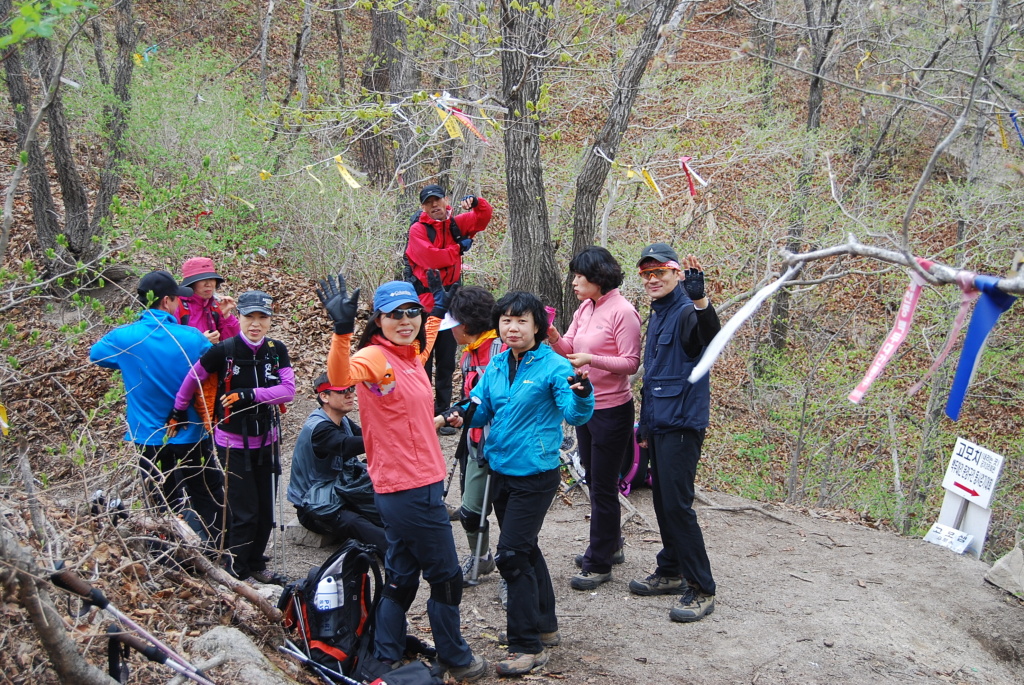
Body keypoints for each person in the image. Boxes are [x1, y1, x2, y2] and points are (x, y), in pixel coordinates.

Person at [317, 272, 487, 681]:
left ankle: (386, 650)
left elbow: (425, 341)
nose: (405, 320)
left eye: (411, 311)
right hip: (408, 487)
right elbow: (341, 377)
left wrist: (438, 308)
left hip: (411, 484)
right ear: (378, 320)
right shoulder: (375, 358)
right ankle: (456, 658)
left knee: (401, 574)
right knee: (446, 576)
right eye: (394, 314)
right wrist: (341, 332)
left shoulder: (410, 356)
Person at [466, 291, 594, 676]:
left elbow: (575, 413)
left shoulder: (554, 367)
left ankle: (527, 646)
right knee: (525, 548)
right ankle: (546, 625)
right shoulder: (498, 362)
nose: (512, 327)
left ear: (538, 325)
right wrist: (457, 415)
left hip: (535, 474)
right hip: (501, 468)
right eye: (506, 320)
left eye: (521, 320)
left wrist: (583, 394)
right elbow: (481, 405)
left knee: (511, 555)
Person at [171, 290, 295, 585]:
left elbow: (288, 390)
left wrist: (249, 395)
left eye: (262, 317)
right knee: (245, 511)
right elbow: (193, 378)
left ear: (269, 320)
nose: (255, 324)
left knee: (265, 511)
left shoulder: (276, 350)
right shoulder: (223, 350)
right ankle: (235, 570)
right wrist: (178, 410)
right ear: (238, 317)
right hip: (232, 444)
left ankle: (255, 564)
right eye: (249, 317)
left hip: (267, 439)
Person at [90, 271, 224, 542]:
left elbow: (96, 356)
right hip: (190, 432)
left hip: (148, 436)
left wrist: (128, 362)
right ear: (166, 301)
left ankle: (170, 550)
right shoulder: (190, 337)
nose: (179, 306)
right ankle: (217, 547)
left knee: (161, 499)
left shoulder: (125, 338)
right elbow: (213, 366)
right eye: (177, 300)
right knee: (207, 494)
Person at [630, 244, 721, 623]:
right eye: (646, 274)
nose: (653, 280)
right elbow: (653, 376)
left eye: (660, 273)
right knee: (663, 502)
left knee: (678, 507)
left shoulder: (685, 310)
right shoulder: (660, 312)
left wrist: (701, 301)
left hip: (683, 425)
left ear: (676, 274)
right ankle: (670, 570)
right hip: (660, 424)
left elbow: (710, 338)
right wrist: (646, 427)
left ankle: (701, 587)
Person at [548, 246, 641, 591]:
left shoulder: (623, 311)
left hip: (613, 409)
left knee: (602, 484)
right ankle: (611, 544)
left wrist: (593, 358)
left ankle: (599, 561)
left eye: (579, 276)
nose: (574, 282)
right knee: (592, 477)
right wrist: (554, 336)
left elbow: (631, 362)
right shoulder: (586, 307)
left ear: (597, 277)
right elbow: (570, 347)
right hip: (586, 405)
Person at [404, 184, 493, 429]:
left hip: (450, 307)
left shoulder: (454, 224)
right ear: (423, 207)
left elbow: (483, 219)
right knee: (422, 361)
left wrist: (477, 202)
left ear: (446, 200)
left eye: (437, 200)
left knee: (446, 363)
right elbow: (432, 258)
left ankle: (442, 415)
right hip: (424, 307)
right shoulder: (418, 230)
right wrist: (458, 248)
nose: (434, 206)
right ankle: (419, 417)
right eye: (428, 203)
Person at [439, 286, 506, 585]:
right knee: (470, 511)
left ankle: (512, 574)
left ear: (463, 326)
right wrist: (457, 410)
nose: (450, 332)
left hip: (504, 446)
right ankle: (481, 557)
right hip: (475, 443)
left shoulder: (501, 349)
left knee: (509, 514)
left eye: (452, 326)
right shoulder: (468, 354)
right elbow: (470, 398)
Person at [286, 373, 387, 553]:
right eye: (343, 391)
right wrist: (386, 434)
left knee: (387, 504)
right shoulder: (319, 429)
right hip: (314, 505)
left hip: (340, 491)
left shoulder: (342, 419)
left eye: (351, 389)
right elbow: (346, 445)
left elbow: (363, 436)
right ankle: (395, 552)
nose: (350, 395)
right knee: (355, 522)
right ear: (324, 396)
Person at [175, 257, 240, 344]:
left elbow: (232, 342)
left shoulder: (214, 306)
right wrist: (200, 341)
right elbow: (170, 344)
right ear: (191, 283)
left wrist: (226, 316)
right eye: (202, 280)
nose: (208, 284)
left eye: (211, 279)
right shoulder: (177, 306)